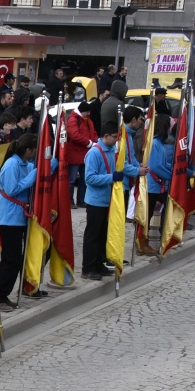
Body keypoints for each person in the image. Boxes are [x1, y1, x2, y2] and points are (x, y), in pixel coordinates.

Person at [81, 122, 138, 279]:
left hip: (109, 200)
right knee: (92, 236)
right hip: (96, 201)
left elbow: (120, 166)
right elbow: (90, 178)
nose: (117, 140)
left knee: (103, 234)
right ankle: (88, 268)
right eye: (115, 137)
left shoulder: (113, 150)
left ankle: (100, 263)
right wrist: (111, 177)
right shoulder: (94, 153)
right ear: (105, 136)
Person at [0, 133, 43, 307]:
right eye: (35, 150)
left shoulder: (24, 164)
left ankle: (17, 288)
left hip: (19, 217)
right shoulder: (11, 164)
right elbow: (11, 188)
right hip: (9, 219)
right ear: (28, 150)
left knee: (18, 258)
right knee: (11, 259)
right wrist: (33, 176)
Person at [63, 103, 97, 208]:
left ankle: (81, 200)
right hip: (75, 154)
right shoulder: (74, 120)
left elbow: (93, 132)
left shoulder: (86, 120)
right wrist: (90, 143)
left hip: (84, 154)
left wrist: (95, 141)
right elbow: (74, 135)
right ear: (83, 111)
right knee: (72, 180)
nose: (89, 113)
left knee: (84, 179)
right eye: (87, 111)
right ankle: (70, 200)